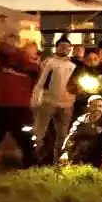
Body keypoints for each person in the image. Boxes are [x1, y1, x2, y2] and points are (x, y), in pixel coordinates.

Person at [0, 34, 41, 169]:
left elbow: (28, 66)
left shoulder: (34, 67)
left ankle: (30, 166)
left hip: (20, 109)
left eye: (34, 49)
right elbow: (3, 49)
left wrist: (21, 52)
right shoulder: (4, 60)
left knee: (26, 139)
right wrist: (18, 48)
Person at [32, 36, 77, 164]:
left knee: (62, 135)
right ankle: (35, 159)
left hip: (67, 104)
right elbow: (41, 81)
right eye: (62, 46)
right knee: (39, 133)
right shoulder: (49, 62)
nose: (65, 49)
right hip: (48, 102)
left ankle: (58, 161)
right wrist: (35, 99)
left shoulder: (73, 65)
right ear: (56, 48)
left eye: (67, 47)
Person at [59, 95, 102, 167]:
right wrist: (65, 152)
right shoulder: (81, 121)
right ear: (88, 107)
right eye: (94, 106)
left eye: (100, 106)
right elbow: (71, 137)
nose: (97, 109)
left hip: (97, 157)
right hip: (79, 154)